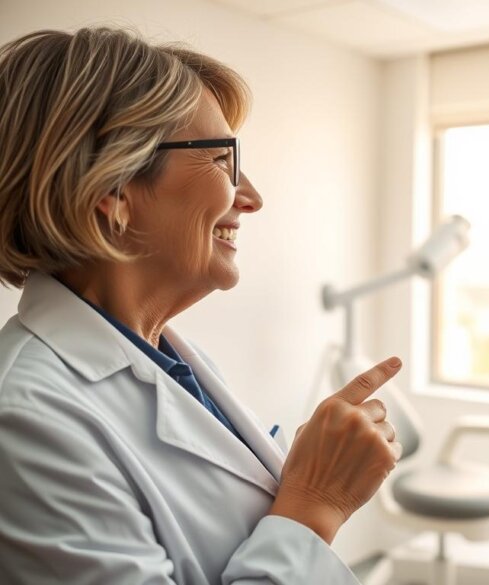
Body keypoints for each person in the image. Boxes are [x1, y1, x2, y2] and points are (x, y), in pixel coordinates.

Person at [0, 27, 401, 584]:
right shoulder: (23, 420)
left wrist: (312, 477)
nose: (252, 197)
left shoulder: (170, 359)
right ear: (113, 187)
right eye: (221, 159)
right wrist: (315, 504)